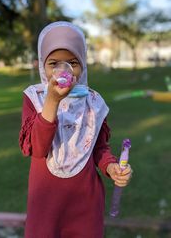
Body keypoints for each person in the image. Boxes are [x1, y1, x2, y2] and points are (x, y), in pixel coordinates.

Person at [19, 21, 132, 238]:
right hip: (45, 203)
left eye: (72, 62)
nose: (63, 71)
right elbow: (39, 149)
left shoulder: (93, 101)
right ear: (43, 65)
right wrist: (52, 101)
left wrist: (112, 168)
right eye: (54, 63)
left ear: (83, 65)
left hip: (86, 204)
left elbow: (98, 149)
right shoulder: (35, 98)